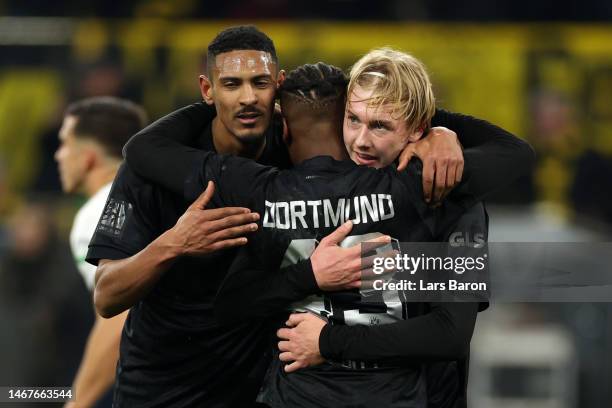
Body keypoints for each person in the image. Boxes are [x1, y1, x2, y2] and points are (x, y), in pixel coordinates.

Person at [87, 26, 475, 407]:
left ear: (278, 88)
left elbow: (440, 325)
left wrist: (441, 133)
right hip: (166, 386)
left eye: (259, 82)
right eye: (231, 84)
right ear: (208, 90)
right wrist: (172, 244)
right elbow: (106, 295)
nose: (247, 98)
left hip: (270, 382)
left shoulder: (302, 149)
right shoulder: (157, 168)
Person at [54, 96, 148, 407]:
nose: (58, 155)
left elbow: (119, 317)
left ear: (89, 157)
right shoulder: (155, 196)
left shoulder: (98, 214)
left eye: (65, 143)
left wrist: (78, 402)